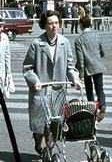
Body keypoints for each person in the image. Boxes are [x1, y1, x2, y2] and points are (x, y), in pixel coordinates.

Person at [23, 11, 83, 156]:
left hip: (58, 90)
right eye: (51, 23)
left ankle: (49, 149)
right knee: (39, 124)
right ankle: (38, 145)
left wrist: (74, 78)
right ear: (44, 25)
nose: (54, 26)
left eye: (56, 23)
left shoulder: (64, 42)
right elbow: (27, 68)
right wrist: (35, 81)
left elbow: (70, 66)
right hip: (41, 90)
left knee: (53, 123)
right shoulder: (37, 44)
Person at [74, 15, 107, 121]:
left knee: (89, 89)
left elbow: (81, 59)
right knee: (99, 88)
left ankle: (92, 108)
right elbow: (102, 51)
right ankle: (102, 104)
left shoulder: (79, 40)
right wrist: (98, 57)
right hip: (98, 65)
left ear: (81, 25)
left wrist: (81, 74)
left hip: (87, 67)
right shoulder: (96, 35)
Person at [0, 19, 13, 99]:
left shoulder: (5, 37)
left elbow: (7, 56)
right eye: (0, 26)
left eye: (2, 26)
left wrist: (8, 73)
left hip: (1, 71)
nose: (2, 29)